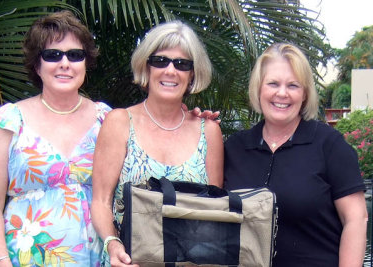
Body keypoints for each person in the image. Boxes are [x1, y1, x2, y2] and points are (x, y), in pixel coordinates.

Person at [0, 10, 110, 266]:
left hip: (99, 258)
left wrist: (189, 118)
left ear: (86, 62)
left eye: (75, 55)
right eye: (53, 55)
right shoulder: (9, 120)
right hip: (26, 259)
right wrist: (1, 261)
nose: (65, 63)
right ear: (37, 65)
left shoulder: (106, 119)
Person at [91, 20, 224, 266]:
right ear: (147, 66)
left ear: (192, 74)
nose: (170, 71)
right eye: (160, 61)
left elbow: (212, 213)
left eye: (182, 64)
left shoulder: (209, 132)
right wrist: (112, 242)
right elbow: (100, 200)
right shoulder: (120, 122)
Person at [224, 43, 368, 267]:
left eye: (293, 85)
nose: (282, 93)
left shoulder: (329, 145)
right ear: (258, 88)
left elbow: (356, 219)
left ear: (304, 94)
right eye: (273, 83)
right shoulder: (234, 148)